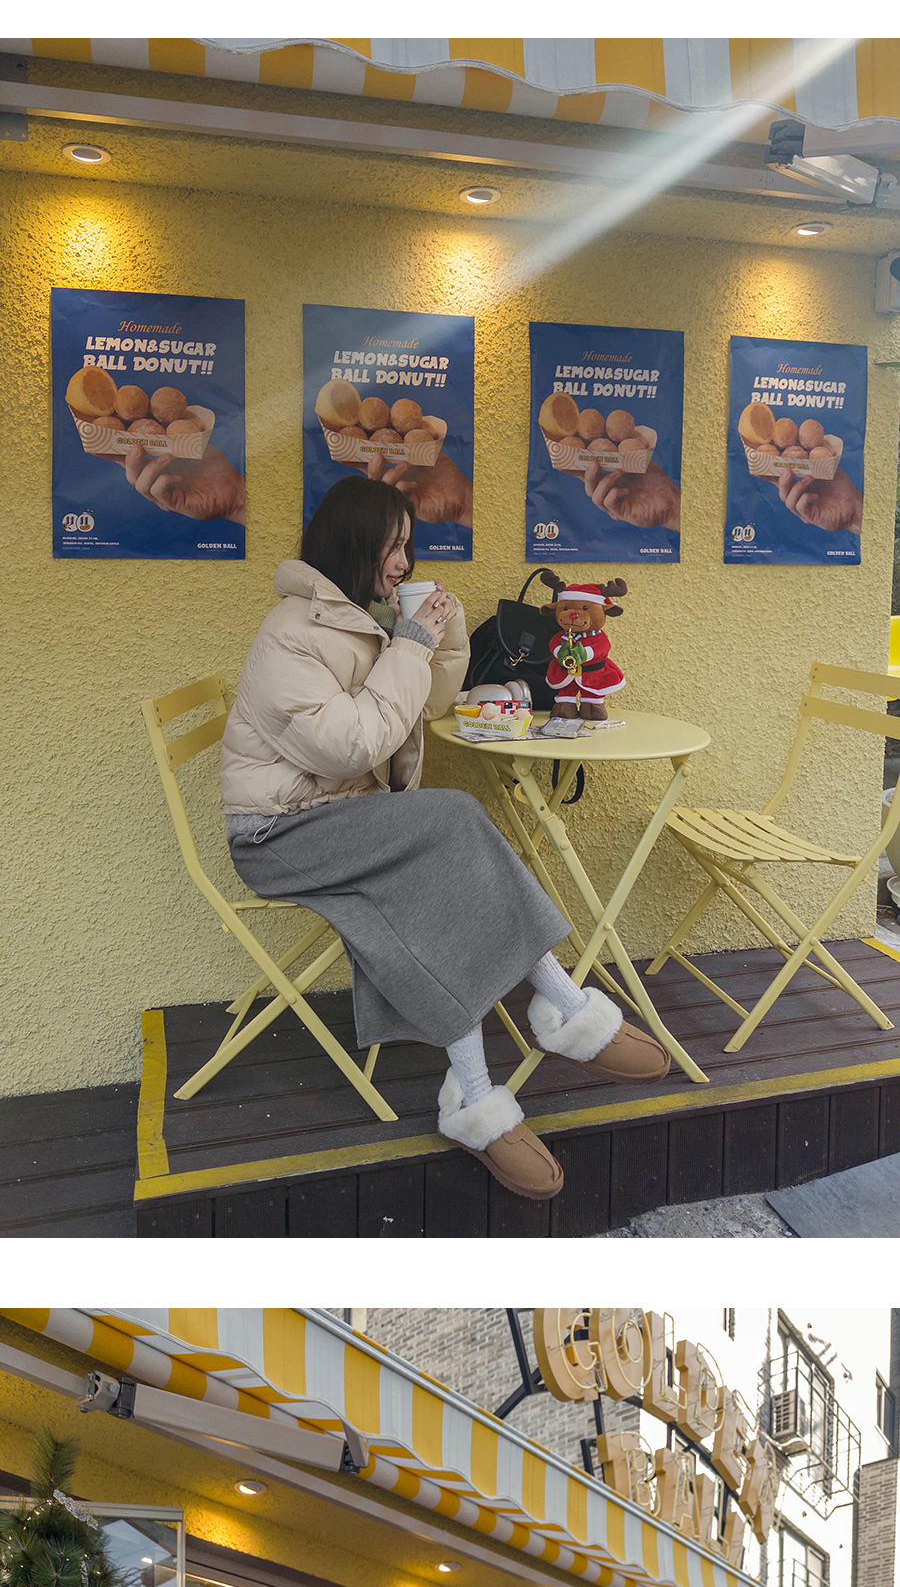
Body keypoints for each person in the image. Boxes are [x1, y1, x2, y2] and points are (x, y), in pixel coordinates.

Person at [219, 473, 671, 1206]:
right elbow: (354, 744)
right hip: (280, 835)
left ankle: (475, 1096)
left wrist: (442, 636)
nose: (403, 562)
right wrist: (410, 643)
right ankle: (562, 1008)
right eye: (393, 545)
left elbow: (421, 708)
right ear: (355, 543)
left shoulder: (358, 621)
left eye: (408, 545)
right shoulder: (290, 635)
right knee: (454, 819)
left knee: (433, 885)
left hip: (340, 820)